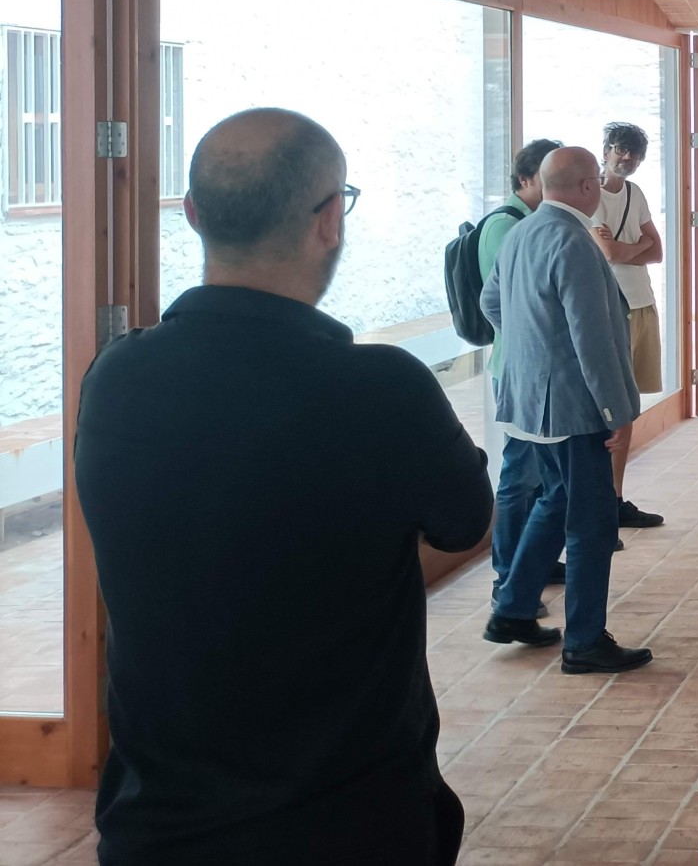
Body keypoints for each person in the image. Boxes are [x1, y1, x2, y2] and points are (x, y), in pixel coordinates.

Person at [76, 109, 491, 866]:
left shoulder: (114, 378)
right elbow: (468, 522)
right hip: (351, 823)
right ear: (330, 220)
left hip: (157, 827)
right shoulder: (384, 389)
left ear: (193, 214)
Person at [482, 146, 651, 675]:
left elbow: (491, 303)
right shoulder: (574, 241)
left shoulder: (521, 233)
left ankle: (512, 610)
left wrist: (535, 351)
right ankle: (584, 641)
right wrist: (615, 411)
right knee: (592, 524)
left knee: (554, 501)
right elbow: (591, 338)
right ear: (586, 188)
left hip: (531, 403)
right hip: (574, 410)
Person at [483, 138, 567, 594]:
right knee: (519, 476)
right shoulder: (506, 226)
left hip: (536, 373)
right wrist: (525, 343)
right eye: (546, 176)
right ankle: (508, 576)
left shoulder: (536, 223)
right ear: (525, 180)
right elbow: (494, 301)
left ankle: (534, 564)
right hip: (519, 372)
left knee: (542, 477)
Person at [590, 122, 666, 530]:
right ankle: (601, 501)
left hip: (641, 304)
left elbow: (657, 251)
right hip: (609, 309)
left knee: (628, 409)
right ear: (605, 150)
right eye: (620, 149)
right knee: (608, 408)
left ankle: (615, 498)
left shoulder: (636, 194)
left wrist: (630, 249)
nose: (627, 158)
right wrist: (637, 246)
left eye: (634, 153)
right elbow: (608, 252)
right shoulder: (591, 195)